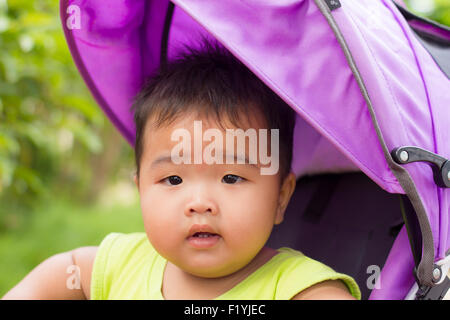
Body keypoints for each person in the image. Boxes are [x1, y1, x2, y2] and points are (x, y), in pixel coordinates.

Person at [2, 38, 360, 300]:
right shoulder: (123, 264)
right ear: (140, 187)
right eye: (173, 179)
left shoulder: (296, 288)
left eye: (231, 177)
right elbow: (70, 275)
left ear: (281, 196)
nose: (200, 202)